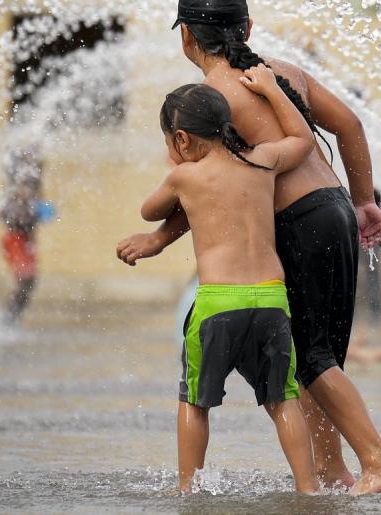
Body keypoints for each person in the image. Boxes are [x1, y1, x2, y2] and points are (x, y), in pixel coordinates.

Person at [117, 0, 381, 494]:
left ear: (185, 36)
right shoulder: (283, 73)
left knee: (312, 357)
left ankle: (378, 460)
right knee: (319, 355)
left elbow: (210, 182)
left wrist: (158, 238)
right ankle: (329, 468)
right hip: (335, 209)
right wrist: (364, 201)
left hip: (297, 224)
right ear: (247, 26)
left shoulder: (209, 99)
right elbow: (351, 126)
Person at [123, 70, 318, 494]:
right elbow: (303, 141)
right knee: (283, 399)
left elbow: (148, 211)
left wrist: (173, 186)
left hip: (217, 305)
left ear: (181, 139)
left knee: (195, 401)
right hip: (271, 299)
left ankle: (187, 488)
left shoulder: (184, 177)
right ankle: (308, 488)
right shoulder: (262, 160)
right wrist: (269, 88)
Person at [0, 146, 44, 321]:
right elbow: (5, 215)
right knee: (26, 280)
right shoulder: (16, 192)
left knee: (29, 282)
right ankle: (8, 318)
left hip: (24, 241)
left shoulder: (32, 188)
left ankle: (11, 317)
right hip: (15, 240)